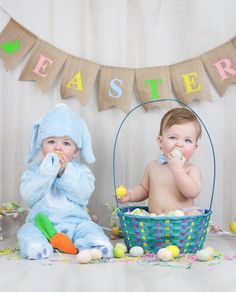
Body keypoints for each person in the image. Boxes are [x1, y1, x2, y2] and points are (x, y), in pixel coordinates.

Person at [17, 103, 112, 260]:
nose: (58, 148)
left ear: (75, 152)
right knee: (26, 231)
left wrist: (63, 172)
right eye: (51, 141)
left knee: (89, 228)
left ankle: (96, 244)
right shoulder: (34, 171)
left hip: (74, 223)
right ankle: (36, 247)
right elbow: (28, 196)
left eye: (66, 143)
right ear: (42, 148)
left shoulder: (82, 172)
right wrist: (47, 172)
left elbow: (83, 194)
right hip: (42, 224)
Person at [119, 107, 202, 215]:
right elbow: (144, 189)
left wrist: (178, 171)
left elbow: (192, 192)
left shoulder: (191, 169)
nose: (179, 144)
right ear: (160, 141)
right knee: (136, 214)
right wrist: (130, 194)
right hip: (156, 222)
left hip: (181, 222)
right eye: (173, 137)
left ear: (194, 148)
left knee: (194, 214)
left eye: (187, 140)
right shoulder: (152, 166)